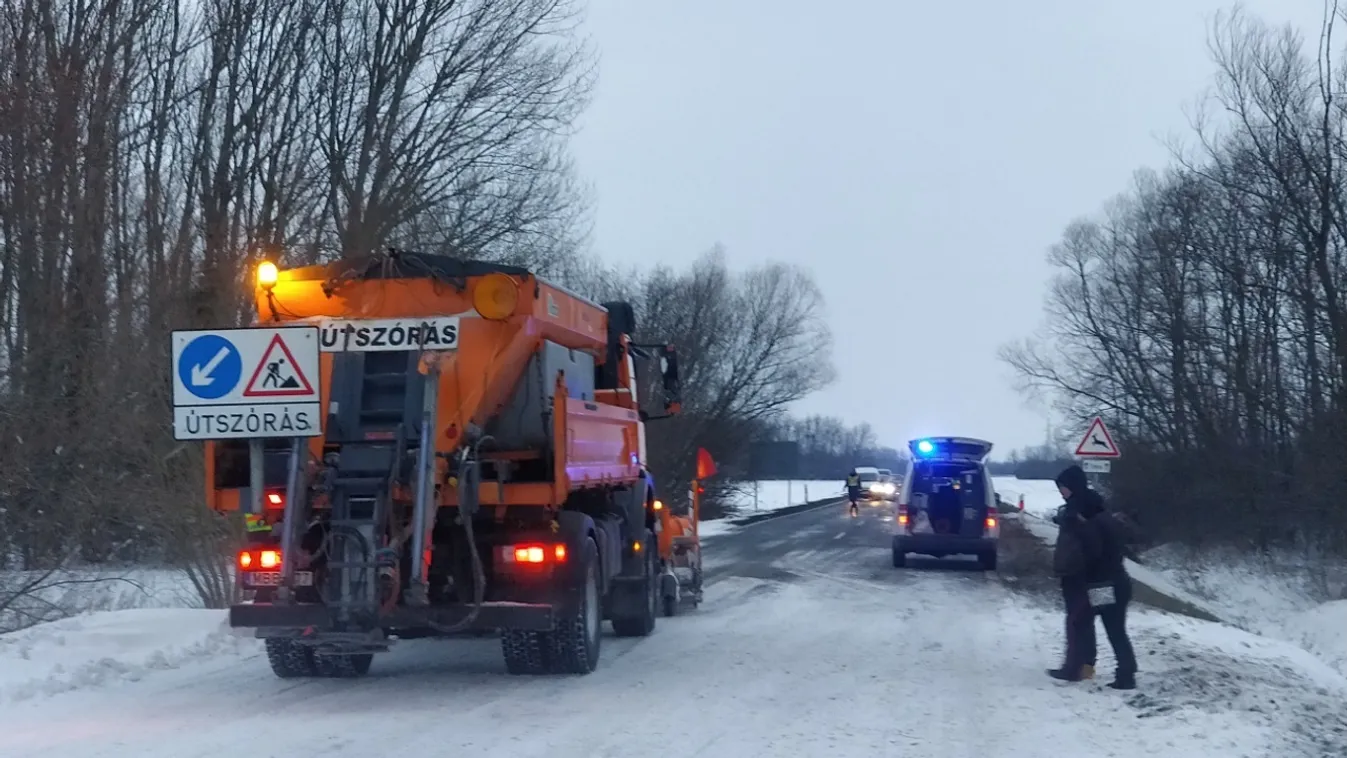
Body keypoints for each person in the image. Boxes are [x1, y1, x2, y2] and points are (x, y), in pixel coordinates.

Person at [1051, 464, 1138, 690]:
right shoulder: (1099, 511)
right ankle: (1121, 673)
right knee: (1109, 627)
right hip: (1112, 580)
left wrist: (1084, 578)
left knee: (1080, 623)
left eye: (1063, 487)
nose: (1062, 492)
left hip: (1098, 583)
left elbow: (1090, 550)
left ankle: (1079, 669)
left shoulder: (1082, 515)